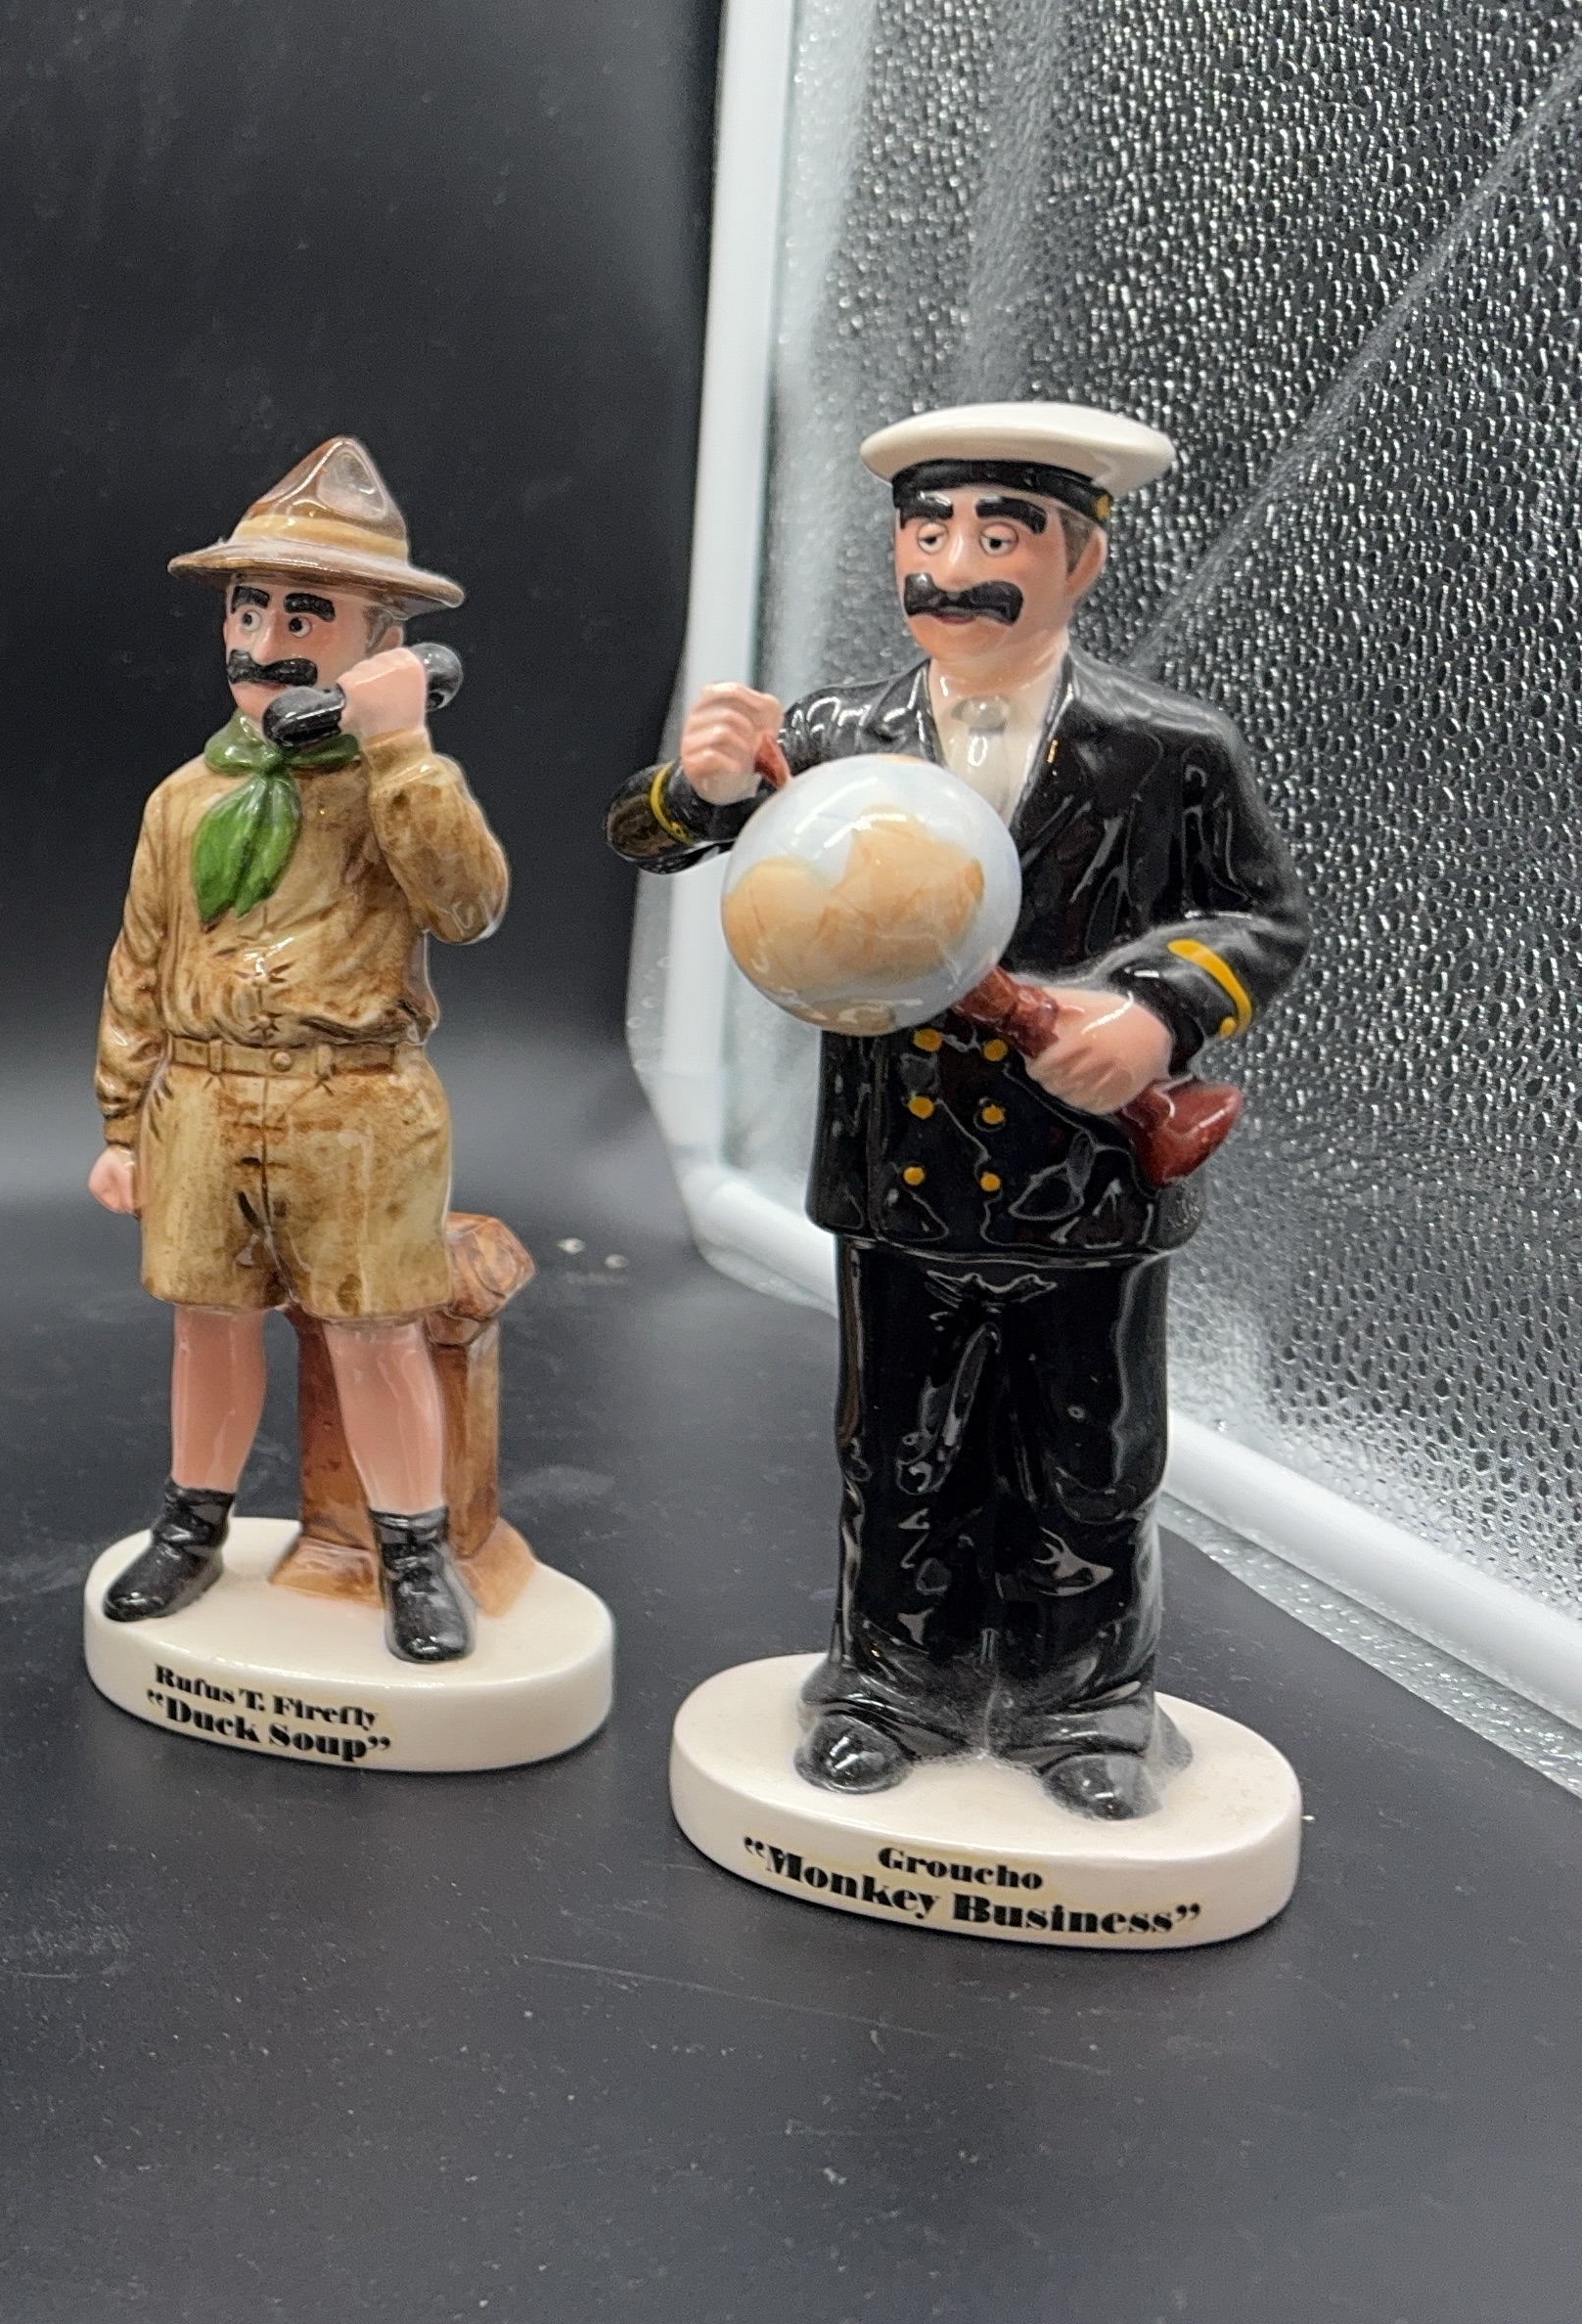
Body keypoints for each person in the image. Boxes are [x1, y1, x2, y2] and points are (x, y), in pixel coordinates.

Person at [608, 401, 1309, 1818]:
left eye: (1000, 535)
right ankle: (893, 1680)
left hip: (1087, 1179)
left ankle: (1084, 1697)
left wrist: (1154, 1011)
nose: (953, 565)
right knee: (900, 1448)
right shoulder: (829, 738)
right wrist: (698, 786)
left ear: (1080, 558)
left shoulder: (1165, 749)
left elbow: (1263, 919)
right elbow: (651, 837)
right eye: (928, 532)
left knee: (1088, 1450)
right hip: (903, 1172)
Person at [90, 438, 510, 1661]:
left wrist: (401, 749)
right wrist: (122, 1123)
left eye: (304, 614)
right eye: (248, 608)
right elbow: (139, 963)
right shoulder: (184, 799)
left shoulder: (399, 787)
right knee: (208, 1324)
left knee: (376, 1335)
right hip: (206, 1100)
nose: (263, 639)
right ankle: (193, 1523)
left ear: (382, 642)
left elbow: (469, 906)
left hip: (354, 1106)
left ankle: (413, 1550)